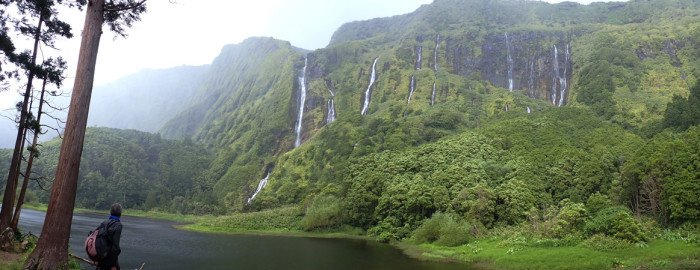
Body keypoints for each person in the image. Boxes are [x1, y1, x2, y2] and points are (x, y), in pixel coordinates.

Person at [97, 203, 122, 270]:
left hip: (100, 257)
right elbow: (115, 246)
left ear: (110, 212)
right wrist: (113, 265)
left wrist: (97, 259)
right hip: (109, 259)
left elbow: (97, 240)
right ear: (120, 214)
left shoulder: (104, 222)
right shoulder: (118, 225)